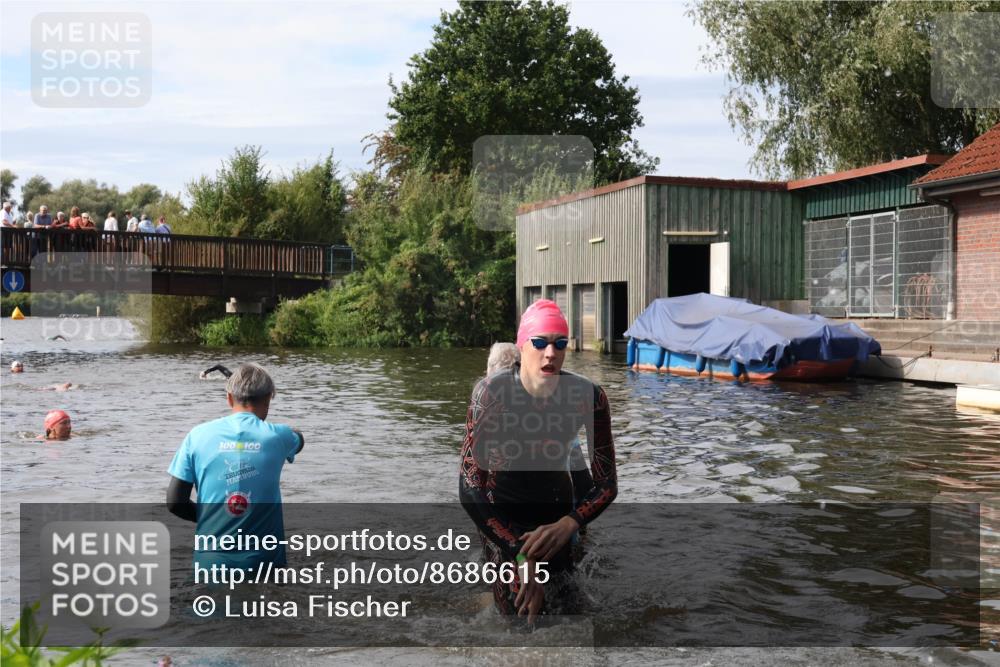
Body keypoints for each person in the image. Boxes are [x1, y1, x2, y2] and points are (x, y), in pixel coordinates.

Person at [460, 300, 617, 623]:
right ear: (522, 346)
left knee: (575, 618)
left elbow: (606, 484)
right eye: (540, 342)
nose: (550, 353)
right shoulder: (491, 393)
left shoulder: (588, 395)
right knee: (519, 622)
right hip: (501, 517)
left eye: (560, 344)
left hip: (554, 520)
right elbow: (469, 486)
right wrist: (518, 550)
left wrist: (571, 523)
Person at [166, 363, 304, 569]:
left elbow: (175, 502)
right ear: (269, 399)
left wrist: (215, 519)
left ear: (229, 398)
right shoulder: (279, 436)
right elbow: (299, 439)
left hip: (210, 562)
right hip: (264, 562)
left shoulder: (196, 436)